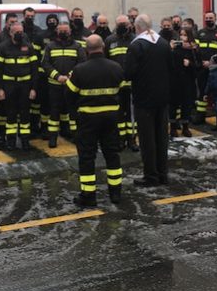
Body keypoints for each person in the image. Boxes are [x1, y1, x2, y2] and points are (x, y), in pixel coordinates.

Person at [66, 35, 124, 207]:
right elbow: (122, 88)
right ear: (103, 47)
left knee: (86, 157)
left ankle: (88, 196)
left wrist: (74, 115)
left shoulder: (79, 70)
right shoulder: (116, 67)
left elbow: (69, 95)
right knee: (112, 155)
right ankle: (115, 193)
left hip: (87, 120)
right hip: (111, 119)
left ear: (86, 50)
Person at [124, 14, 172, 187]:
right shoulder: (164, 44)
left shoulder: (136, 46)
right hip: (163, 98)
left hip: (144, 99)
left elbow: (128, 72)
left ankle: (151, 175)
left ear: (137, 28)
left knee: (147, 139)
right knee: (161, 137)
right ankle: (163, 173)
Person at [0, 21, 38, 151]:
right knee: (11, 114)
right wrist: (0, 89)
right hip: (9, 86)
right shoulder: (2, 47)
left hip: (25, 86)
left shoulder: (29, 47)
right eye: (16, 32)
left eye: (21, 32)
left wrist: (33, 89)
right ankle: (11, 141)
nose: (19, 34)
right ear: (10, 33)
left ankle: (25, 141)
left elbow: (35, 70)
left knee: (25, 114)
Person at [42, 22, 86, 147]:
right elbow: (45, 64)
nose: (63, 33)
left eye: (65, 31)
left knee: (73, 111)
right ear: (57, 32)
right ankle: (53, 138)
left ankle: (75, 136)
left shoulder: (77, 46)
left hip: (71, 85)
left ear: (70, 32)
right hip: (54, 85)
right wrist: (57, 76)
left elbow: (82, 62)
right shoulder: (50, 46)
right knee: (54, 112)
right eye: (61, 31)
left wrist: (70, 75)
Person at [105, 14, 139, 151]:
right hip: (115, 85)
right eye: (120, 24)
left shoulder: (135, 40)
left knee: (131, 115)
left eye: (124, 24)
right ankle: (120, 139)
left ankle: (132, 139)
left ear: (129, 25)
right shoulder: (109, 40)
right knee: (118, 114)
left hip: (131, 84)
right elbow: (105, 61)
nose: (122, 27)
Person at [194, 11, 217, 124]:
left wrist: (211, 62)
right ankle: (200, 116)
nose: (209, 20)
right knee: (202, 92)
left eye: (211, 18)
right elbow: (195, 50)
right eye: (207, 18)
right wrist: (201, 62)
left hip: (216, 70)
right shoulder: (199, 33)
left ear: (216, 18)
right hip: (202, 68)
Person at [168, 28, 199, 139]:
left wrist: (189, 63)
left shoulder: (193, 50)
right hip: (175, 81)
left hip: (187, 82)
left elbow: (197, 66)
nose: (182, 37)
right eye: (181, 35)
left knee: (187, 105)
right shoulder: (175, 48)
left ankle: (185, 126)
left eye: (185, 35)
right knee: (173, 105)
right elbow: (168, 63)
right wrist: (170, 49)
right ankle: (173, 127)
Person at [0, 13, 19, 140]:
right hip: (4, 81)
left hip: (18, 82)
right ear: (6, 23)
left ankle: (15, 135)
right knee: (2, 111)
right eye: (11, 22)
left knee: (15, 111)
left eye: (16, 21)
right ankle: (1, 134)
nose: (13, 24)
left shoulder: (21, 37)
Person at [22, 7, 44, 134]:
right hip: (21, 71)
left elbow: (41, 54)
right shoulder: (19, 31)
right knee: (23, 103)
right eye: (27, 16)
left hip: (36, 72)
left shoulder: (39, 32)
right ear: (23, 15)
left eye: (32, 16)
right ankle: (23, 129)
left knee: (36, 103)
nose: (30, 18)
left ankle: (34, 126)